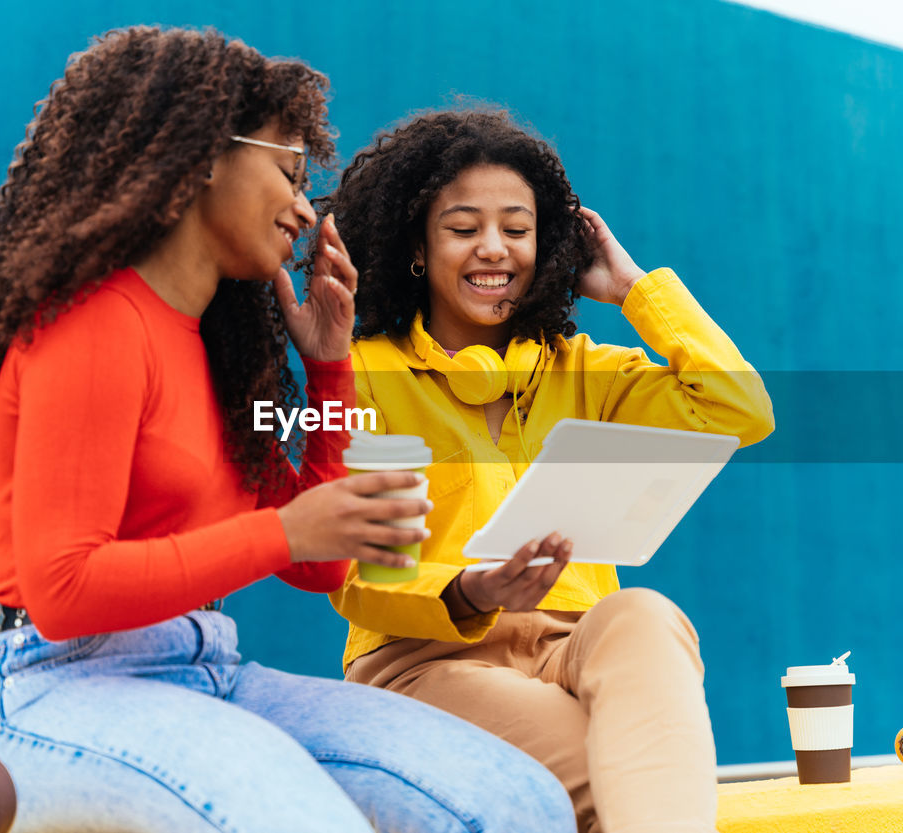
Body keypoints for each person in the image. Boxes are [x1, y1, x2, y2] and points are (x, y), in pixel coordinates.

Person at [0, 31, 577, 833]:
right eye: (286, 170)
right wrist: (280, 531)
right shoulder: (90, 326)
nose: (305, 208)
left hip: (204, 666)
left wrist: (331, 369)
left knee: (519, 805)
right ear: (204, 154)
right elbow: (64, 592)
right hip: (51, 685)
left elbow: (325, 562)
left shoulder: (210, 350)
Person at [317, 109, 775, 833]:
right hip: (426, 660)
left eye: (519, 229)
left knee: (647, 614)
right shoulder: (364, 377)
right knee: (625, 781)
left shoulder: (587, 369)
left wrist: (634, 291)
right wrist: (470, 589)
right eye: (464, 228)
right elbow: (354, 573)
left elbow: (738, 408)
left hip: (571, 648)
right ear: (418, 245)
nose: (493, 249)